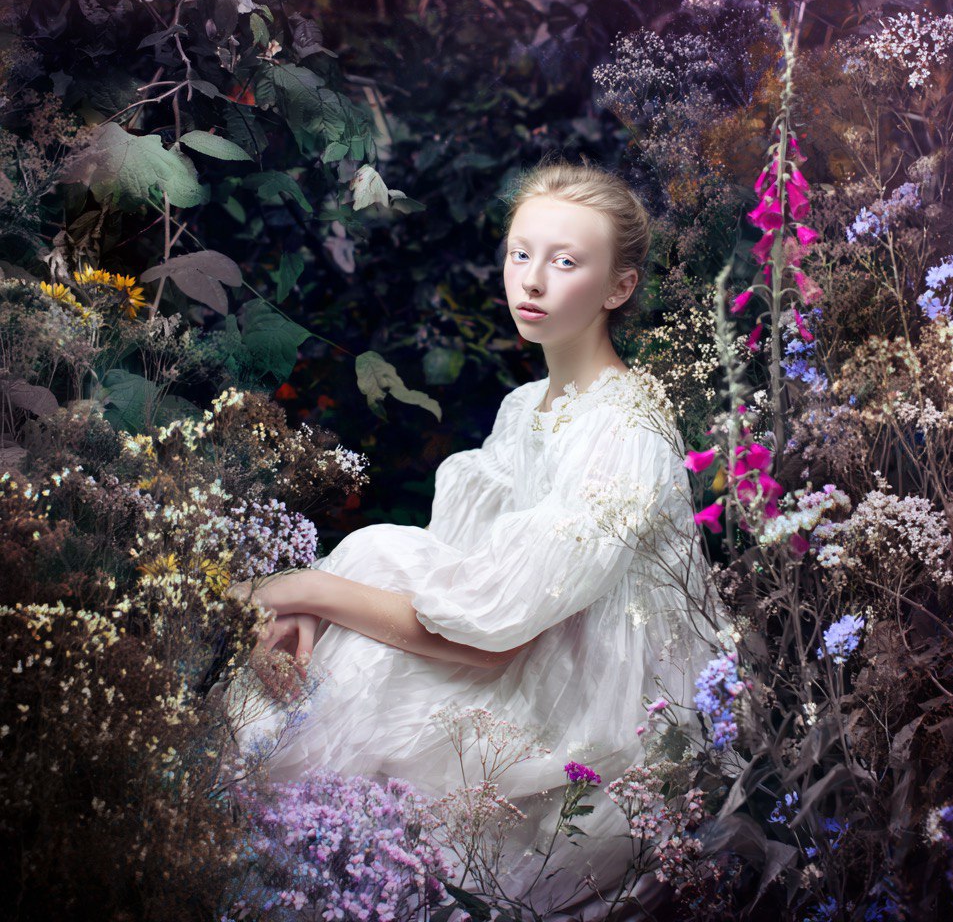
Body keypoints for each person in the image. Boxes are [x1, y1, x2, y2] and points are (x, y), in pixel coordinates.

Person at [216, 159, 719, 921]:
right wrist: (312, 607)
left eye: (566, 262)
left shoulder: (624, 431)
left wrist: (301, 587)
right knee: (355, 594)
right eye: (521, 254)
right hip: (507, 663)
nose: (532, 281)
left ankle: (266, 853)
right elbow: (450, 581)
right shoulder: (525, 408)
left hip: (583, 729)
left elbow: (490, 639)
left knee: (361, 604)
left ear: (618, 289)